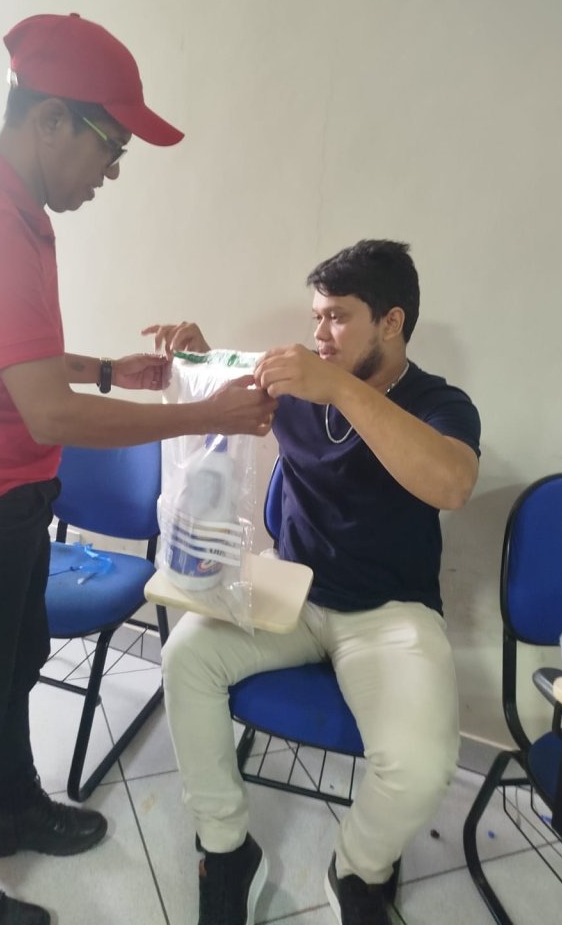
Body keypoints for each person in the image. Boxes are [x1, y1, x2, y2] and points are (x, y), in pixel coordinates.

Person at [0, 12, 276, 925]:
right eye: (111, 146)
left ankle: (12, 809)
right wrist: (208, 413)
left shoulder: (8, 206)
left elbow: (7, 355)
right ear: (51, 120)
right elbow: (48, 413)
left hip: (2, 503)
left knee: (8, 670)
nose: (112, 170)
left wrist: (106, 369)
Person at [143, 239, 481, 925]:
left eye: (338, 317)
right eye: (317, 316)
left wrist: (341, 390)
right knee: (184, 658)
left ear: (391, 322)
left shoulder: (440, 402)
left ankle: (359, 867)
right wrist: (201, 356)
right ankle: (226, 848)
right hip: (290, 592)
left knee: (421, 766)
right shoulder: (302, 384)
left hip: (390, 611)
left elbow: (451, 484)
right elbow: (226, 382)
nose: (320, 334)